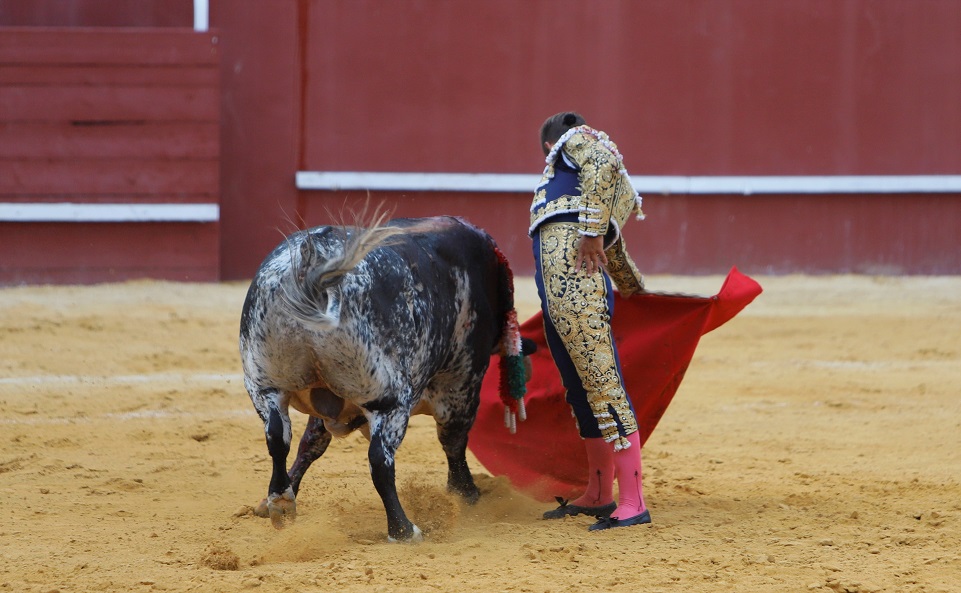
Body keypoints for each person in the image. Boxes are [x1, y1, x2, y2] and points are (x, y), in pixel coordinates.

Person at [529, 111, 650, 531]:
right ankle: (600, 493)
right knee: (582, 390)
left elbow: (600, 165)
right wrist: (636, 289)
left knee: (602, 386)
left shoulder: (576, 143)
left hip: (575, 290)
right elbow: (611, 252)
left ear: (549, 145)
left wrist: (592, 232)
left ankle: (633, 502)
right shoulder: (601, 190)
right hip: (561, 295)